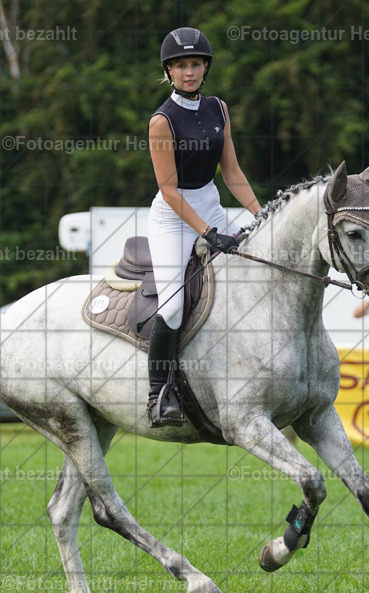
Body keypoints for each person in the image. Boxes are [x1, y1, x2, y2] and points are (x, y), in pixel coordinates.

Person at [145, 27, 261, 427]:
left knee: (253, 271)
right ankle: (159, 394)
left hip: (209, 202)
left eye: (195, 64)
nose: (189, 72)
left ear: (205, 67)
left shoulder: (218, 108)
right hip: (172, 217)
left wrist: (259, 213)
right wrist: (207, 233)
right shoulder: (162, 121)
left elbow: (231, 172)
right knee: (173, 306)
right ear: (169, 72)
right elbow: (169, 189)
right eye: (180, 66)